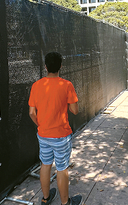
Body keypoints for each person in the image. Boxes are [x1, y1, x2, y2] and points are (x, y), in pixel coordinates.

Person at [28, 52, 83, 205]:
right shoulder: (66, 85)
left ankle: (45, 199)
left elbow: (31, 112)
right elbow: (75, 110)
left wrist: (41, 124)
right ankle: (66, 203)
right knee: (62, 168)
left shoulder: (36, 86)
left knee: (45, 164)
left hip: (43, 134)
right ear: (60, 66)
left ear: (45, 67)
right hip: (61, 135)